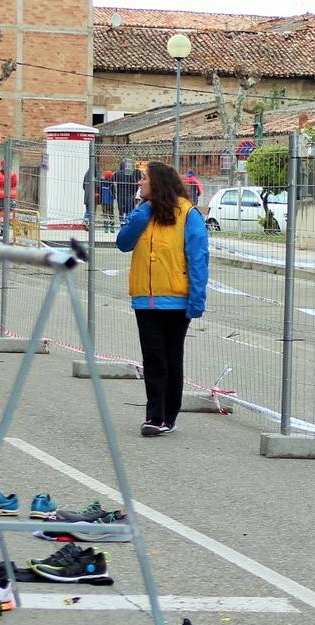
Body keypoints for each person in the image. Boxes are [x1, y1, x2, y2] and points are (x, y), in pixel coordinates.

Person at [115, 162, 209, 437]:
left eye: (144, 179)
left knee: (171, 357)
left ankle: (169, 415)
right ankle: (154, 417)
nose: (139, 183)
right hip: (146, 300)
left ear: (158, 183)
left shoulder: (188, 214)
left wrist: (196, 299)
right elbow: (123, 243)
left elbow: (198, 258)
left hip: (177, 300)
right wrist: (141, 212)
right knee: (153, 358)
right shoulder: (143, 213)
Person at [0, 158, 18, 234]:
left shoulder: (13, 174)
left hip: (11, 196)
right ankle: (2, 230)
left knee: (11, 213)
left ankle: (15, 229)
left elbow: (13, 183)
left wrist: (6, 181)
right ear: (1, 165)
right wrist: (8, 181)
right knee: (2, 214)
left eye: (6, 165)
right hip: (1, 196)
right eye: (3, 165)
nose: (5, 166)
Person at [113, 160, 138, 225]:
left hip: (120, 194)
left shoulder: (117, 173)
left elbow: (111, 181)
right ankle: (127, 222)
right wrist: (133, 192)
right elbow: (135, 184)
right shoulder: (130, 173)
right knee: (128, 209)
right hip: (129, 194)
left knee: (121, 210)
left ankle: (121, 222)